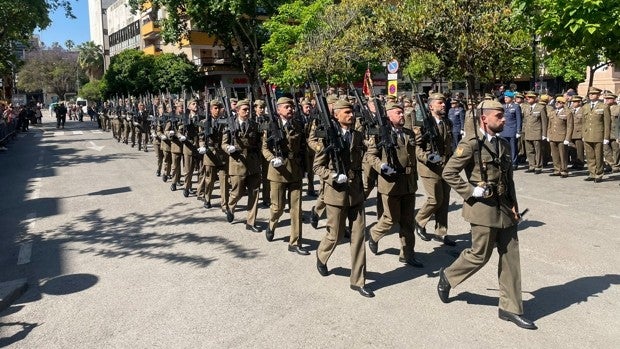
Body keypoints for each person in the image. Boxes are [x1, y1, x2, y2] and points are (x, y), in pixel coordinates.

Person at [439, 100, 537, 330]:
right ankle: (448, 276)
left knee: (511, 257)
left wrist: (514, 205)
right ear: (484, 118)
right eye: (498, 116)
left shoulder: (503, 144)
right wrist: (471, 190)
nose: (504, 120)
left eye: (504, 115)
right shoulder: (471, 144)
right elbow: (449, 172)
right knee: (479, 255)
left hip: (504, 208)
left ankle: (510, 308)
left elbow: (507, 179)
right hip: (482, 209)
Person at [313, 100, 373, 297]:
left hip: (355, 192)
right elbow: (317, 167)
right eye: (346, 112)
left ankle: (357, 281)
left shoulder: (357, 135)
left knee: (358, 237)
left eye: (352, 112)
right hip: (335, 193)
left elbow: (365, 158)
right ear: (336, 115)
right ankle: (322, 256)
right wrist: (332, 176)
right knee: (336, 235)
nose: (351, 115)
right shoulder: (327, 138)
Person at [366, 102, 422, 268]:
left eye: (402, 112)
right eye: (398, 112)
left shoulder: (409, 133)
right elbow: (371, 156)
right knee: (390, 219)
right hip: (389, 183)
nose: (402, 115)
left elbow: (415, 152)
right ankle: (374, 234)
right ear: (388, 116)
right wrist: (381, 166)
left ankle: (407, 254)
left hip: (408, 183)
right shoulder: (380, 134)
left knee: (408, 221)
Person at [261, 97, 308, 255]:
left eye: (292, 107)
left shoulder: (298, 125)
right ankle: (272, 224)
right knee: (278, 208)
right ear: (279, 109)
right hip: (278, 172)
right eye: (287, 107)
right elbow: (265, 148)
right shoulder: (271, 126)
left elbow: (303, 148)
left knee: (296, 209)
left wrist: (306, 169)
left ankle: (295, 242)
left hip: (295, 171)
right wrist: (271, 159)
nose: (290, 109)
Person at [414, 93, 456, 247]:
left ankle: (441, 232)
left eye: (444, 103)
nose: (443, 105)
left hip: (445, 165)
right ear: (431, 106)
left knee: (444, 201)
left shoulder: (447, 122)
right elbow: (416, 147)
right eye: (440, 103)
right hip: (429, 167)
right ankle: (419, 220)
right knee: (434, 199)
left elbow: (449, 145)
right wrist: (427, 157)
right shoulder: (423, 124)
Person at [221, 99, 262, 232]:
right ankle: (231, 206)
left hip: (253, 162)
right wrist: (229, 148)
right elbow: (223, 143)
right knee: (237, 192)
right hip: (237, 162)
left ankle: (251, 222)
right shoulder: (229, 125)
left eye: (248, 109)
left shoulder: (254, 125)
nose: (247, 112)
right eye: (244, 109)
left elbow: (260, 143)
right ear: (237, 110)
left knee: (254, 193)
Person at [581, 87, 611, 182]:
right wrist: (583, 134)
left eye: (593, 94)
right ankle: (592, 173)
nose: (591, 95)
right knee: (590, 156)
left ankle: (599, 174)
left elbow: (607, 123)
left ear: (598, 95)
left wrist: (606, 137)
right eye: (590, 94)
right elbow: (583, 122)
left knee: (598, 156)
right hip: (588, 134)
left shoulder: (604, 106)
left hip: (598, 134)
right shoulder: (585, 106)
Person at [546, 97, 573, 177]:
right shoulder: (552, 112)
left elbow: (569, 126)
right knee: (554, 154)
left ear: (563, 104)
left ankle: (564, 170)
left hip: (562, 136)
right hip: (552, 136)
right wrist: (548, 135)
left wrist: (568, 138)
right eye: (556, 102)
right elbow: (549, 125)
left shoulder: (568, 113)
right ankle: (557, 169)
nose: (557, 103)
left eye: (559, 102)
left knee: (563, 154)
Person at [522, 91, 547, 174]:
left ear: (535, 98)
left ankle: (538, 166)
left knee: (538, 150)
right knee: (529, 150)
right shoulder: (526, 107)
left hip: (537, 132)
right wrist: (523, 131)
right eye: (527, 97)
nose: (528, 99)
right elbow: (525, 120)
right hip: (527, 131)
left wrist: (544, 134)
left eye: (530, 97)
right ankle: (531, 165)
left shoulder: (541, 107)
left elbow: (544, 121)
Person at [499, 91, 522, 169]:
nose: (505, 99)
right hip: (503, 130)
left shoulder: (516, 107)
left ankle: (514, 163)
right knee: (504, 148)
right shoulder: (503, 106)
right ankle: (506, 162)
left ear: (512, 98)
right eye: (505, 97)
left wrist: (518, 130)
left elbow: (519, 119)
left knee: (513, 148)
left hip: (512, 130)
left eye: (507, 97)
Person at [602, 93, 619, 172]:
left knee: (616, 150)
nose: (607, 100)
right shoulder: (603, 108)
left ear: (614, 99)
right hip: (605, 132)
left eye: (609, 98)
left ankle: (616, 165)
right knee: (606, 149)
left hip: (614, 132)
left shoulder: (618, 109)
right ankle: (610, 164)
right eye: (606, 98)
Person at [568, 95, 585, 169]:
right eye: (573, 102)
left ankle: (580, 164)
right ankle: (574, 162)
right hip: (571, 132)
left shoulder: (583, 110)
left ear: (579, 102)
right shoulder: (570, 110)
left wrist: (583, 134)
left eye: (575, 102)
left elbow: (584, 123)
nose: (573, 103)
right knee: (572, 149)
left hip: (579, 132)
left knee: (579, 150)